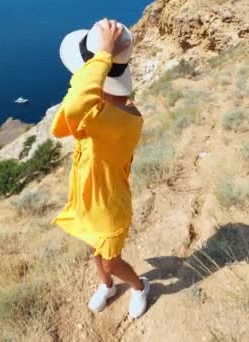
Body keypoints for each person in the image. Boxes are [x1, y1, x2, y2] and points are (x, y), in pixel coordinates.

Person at [50, 18, 150, 319]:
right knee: (95, 251)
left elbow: (74, 106)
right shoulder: (121, 109)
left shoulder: (99, 118)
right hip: (89, 202)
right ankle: (106, 286)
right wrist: (104, 64)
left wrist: (102, 55)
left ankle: (139, 285)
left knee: (111, 260)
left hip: (108, 207)